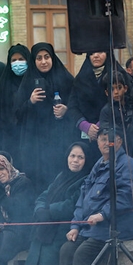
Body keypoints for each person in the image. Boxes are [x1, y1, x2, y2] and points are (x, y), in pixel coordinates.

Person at [54, 128, 133, 265]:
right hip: (89, 227)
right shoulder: (98, 164)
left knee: (82, 253)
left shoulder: (127, 164)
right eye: (101, 140)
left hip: (112, 227)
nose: (104, 144)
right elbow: (83, 198)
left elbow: (127, 197)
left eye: (108, 140)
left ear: (118, 141)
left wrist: (103, 214)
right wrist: (75, 225)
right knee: (66, 249)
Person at [14, 141, 93, 265]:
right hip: (43, 228)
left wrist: (49, 211)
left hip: (61, 231)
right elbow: (43, 195)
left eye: (80, 157)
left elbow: (72, 204)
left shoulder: (85, 180)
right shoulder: (60, 176)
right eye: (72, 156)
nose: (75, 160)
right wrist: (41, 209)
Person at [15, 42, 78, 190]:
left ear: (52, 58)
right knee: (37, 181)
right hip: (35, 143)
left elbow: (77, 104)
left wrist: (66, 110)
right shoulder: (27, 82)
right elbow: (17, 113)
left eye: (47, 57)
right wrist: (30, 101)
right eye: (39, 58)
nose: (43, 62)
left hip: (60, 139)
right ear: (33, 61)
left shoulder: (66, 79)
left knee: (59, 179)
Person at [71, 50, 111, 164]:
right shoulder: (80, 79)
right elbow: (72, 106)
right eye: (92, 53)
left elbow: (119, 104)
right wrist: (85, 126)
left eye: (100, 52)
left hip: (109, 136)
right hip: (85, 137)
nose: (96, 56)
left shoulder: (117, 76)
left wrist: (99, 126)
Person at [0, 44, 31, 158]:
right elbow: (2, 110)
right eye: (14, 60)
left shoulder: (33, 81)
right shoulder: (4, 83)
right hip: (10, 138)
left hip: (32, 136)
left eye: (21, 59)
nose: (17, 63)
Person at [98, 68, 133, 157]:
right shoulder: (106, 111)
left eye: (119, 87)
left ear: (125, 88)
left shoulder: (132, 105)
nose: (116, 92)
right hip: (118, 153)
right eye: (112, 89)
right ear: (107, 92)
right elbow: (107, 132)